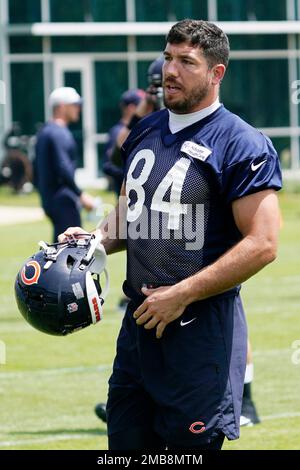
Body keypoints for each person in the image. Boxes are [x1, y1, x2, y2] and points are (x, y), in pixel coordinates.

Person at [60, 19, 282, 450]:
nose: (170, 71)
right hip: (139, 329)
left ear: (217, 73)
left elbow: (263, 243)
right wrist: (93, 241)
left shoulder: (241, 143)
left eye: (186, 61)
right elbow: (131, 214)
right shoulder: (145, 130)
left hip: (199, 334)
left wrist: (184, 292)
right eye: (167, 58)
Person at [34, 87, 95, 242]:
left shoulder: (44, 131)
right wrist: (81, 195)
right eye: (74, 104)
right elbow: (63, 167)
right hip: (63, 200)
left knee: (60, 248)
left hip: (50, 200)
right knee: (71, 250)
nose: (78, 109)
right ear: (61, 106)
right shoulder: (58, 132)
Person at [102, 89, 145, 197]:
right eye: (142, 105)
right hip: (125, 199)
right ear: (131, 108)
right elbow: (108, 166)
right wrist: (135, 174)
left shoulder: (143, 129)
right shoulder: (117, 132)